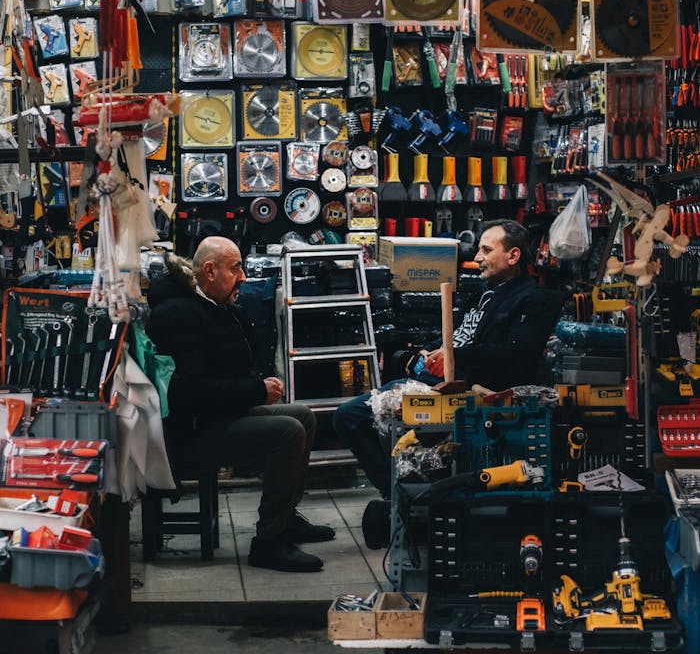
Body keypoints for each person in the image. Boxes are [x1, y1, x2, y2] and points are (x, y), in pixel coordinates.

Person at [333, 220, 563, 498]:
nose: (477, 258)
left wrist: (454, 356)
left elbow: (516, 356)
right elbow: (453, 335)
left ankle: (397, 494)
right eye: (479, 250)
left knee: (349, 416)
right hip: (431, 380)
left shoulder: (534, 300)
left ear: (513, 256)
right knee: (350, 417)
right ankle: (398, 490)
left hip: (463, 389)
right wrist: (425, 351)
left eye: (486, 250)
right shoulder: (483, 293)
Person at [146, 236, 335, 573]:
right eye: (235, 268)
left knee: (303, 416)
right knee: (288, 431)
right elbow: (188, 394)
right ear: (210, 271)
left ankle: (286, 518)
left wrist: (254, 388)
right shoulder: (179, 314)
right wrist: (254, 390)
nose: (244, 276)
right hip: (189, 434)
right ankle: (268, 542)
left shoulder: (211, 305)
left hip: (215, 418)